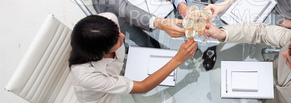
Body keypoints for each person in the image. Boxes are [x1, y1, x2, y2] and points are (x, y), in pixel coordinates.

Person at [69, 12, 197, 103]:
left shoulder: (109, 19)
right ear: (101, 52)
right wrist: (178, 59)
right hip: (105, 98)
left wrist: (162, 24)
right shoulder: (86, 76)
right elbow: (143, 87)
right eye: (116, 41)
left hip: (123, 74)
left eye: (118, 31)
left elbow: (127, 12)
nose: (123, 36)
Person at [204, 22, 291, 103]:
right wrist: (223, 34)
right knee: (217, 78)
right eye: (289, 49)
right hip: (269, 74)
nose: (284, 54)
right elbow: (260, 32)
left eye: (288, 60)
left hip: (278, 100)